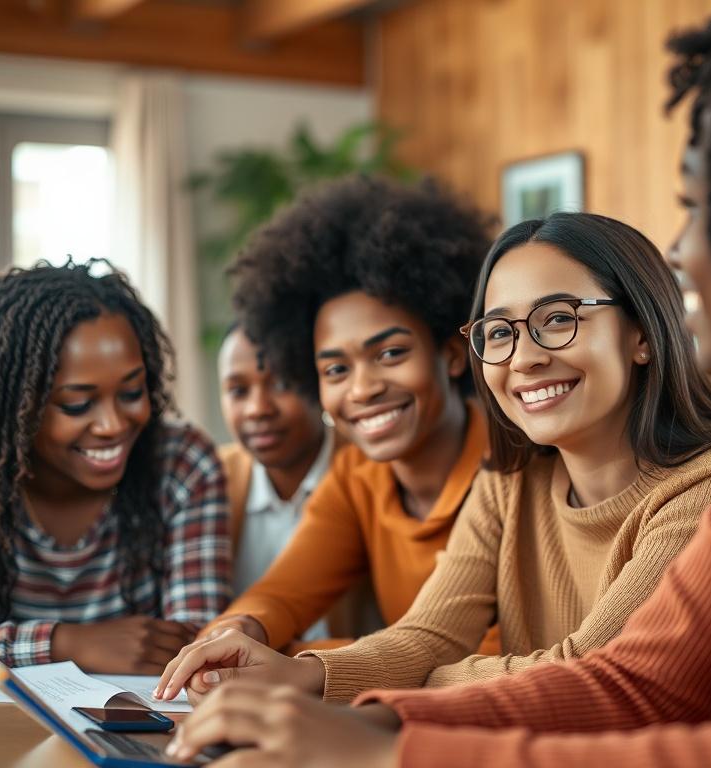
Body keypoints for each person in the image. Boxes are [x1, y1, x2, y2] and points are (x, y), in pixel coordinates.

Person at [163, 0, 711, 765]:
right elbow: (639, 681)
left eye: (697, 208)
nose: (678, 251)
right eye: (500, 331)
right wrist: (372, 719)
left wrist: (386, 742)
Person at [156, 212, 711, 705]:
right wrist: (302, 672)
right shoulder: (512, 481)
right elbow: (432, 634)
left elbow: (590, 674)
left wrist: (411, 684)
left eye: (558, 319)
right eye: (499, 331)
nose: (525, 358)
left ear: (642, 333)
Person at [170, 176, 499, 665]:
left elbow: (483, 662)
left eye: (390, 353)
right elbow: (282, 594)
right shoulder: (358, 479)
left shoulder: (510, 470)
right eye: (336, 369)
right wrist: (236, 631)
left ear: (452, 353)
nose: (362, 389)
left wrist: (296, 659)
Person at [0, 259, 230, 680]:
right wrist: (65, 644)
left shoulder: (182, 465)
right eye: (77, 404)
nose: (112, 425)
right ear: (16, 408)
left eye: (131, 391)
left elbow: (201, 648)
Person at [217, 324, 335, 643]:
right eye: (238, 391)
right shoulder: (211, 481)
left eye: (282, 383)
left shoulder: (369, 472)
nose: (258, 409)